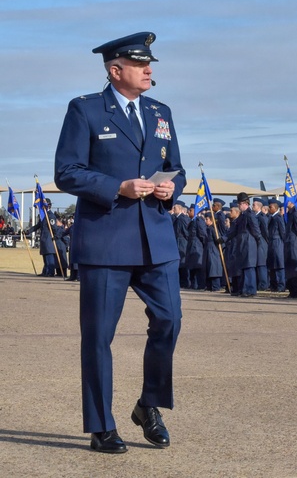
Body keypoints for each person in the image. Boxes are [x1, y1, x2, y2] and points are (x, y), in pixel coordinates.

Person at [53, 32, 185, 453]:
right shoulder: (86, 110)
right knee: (98, 337)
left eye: (150, 64)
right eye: (140, 64)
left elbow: (175, 167)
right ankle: (101, 426)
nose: (149, 70)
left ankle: (148, 404)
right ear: (115, 70)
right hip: (107, 240)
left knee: (169, 320)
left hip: (156, 241)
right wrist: (118, 187)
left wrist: (172, 188)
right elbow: (67, 171)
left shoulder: (161, 112)